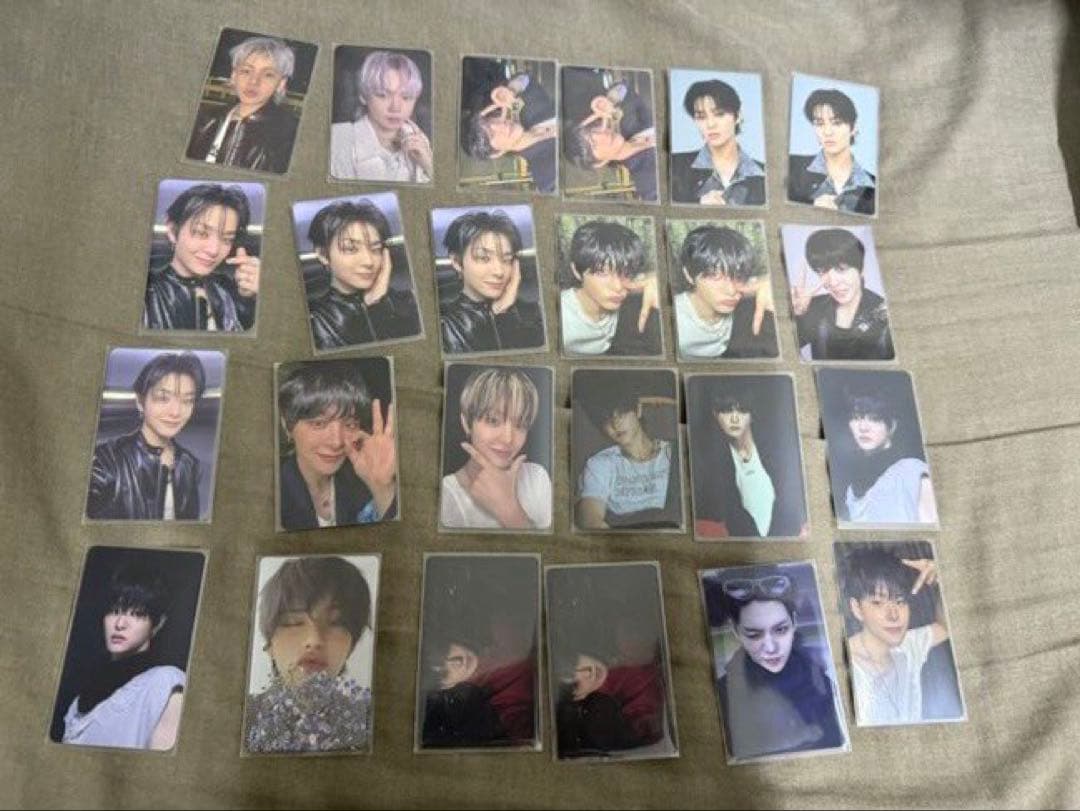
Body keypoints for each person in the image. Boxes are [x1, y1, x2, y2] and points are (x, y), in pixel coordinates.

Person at [244, 556, 374, 753]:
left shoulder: (373, 722)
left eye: (336, 623)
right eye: (293, 622)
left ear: (351, 646)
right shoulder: (237, 718)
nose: (314, 640)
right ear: (269, 645)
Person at [714, 573, 846, 760]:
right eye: (754, 635)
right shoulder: (723, 693)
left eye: (781, 630)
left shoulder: (822, 683)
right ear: (736, 631)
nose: (771, 648)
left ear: (794, 622)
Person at [62, 562, 185, 750]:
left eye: (136, 614)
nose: (120, 624)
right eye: (114, 611)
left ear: (157, 624)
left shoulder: (164, 683)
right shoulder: (80, 700)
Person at [277, 361, 398, 531]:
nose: (337, 442)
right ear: (287, 425)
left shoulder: (362, 479)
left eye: (350, 425)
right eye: (319, 423)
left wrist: (381, 486)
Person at [86, 352, 207, 521]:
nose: (176, 412)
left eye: (187, 400)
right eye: (163, 398)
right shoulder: (106, 461)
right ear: (140, 401)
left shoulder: (190, 464)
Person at [838, 547, 952, 725]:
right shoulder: (842, 665)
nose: (893, 615)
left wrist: (941, 577)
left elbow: (945, 627)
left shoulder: (908, 645)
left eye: (900, 601)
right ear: (857, 608)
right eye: (878, 602)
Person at [440, 367, 552, 530]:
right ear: (466, 423)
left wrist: (510, 511)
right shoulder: (447, 494)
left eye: (520, 424)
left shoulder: (537, 477)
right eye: (493, 420)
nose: (508, 439)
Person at [305, 199, 421, 350]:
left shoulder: (410, 302)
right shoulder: (314, 320)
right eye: (351, 249)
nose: (368, 261)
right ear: (322, 254)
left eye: (375, 249)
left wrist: (379, 305)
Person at [143, 183, 260, 332]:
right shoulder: (147, 291)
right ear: (172, 231)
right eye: (201, 233)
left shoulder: (229, 290)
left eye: (227, 239)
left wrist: (254, 298)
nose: (214, 250)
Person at [694, 385, 806, 539]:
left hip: (787, 538)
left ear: (751, 414)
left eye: (742, 410)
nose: (734, 418)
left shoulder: (776, 451)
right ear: (715, 415)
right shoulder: (713, 463)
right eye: (726, 410)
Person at [186, 35, 300, 174]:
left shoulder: (290, 134)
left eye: (268, 74)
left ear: (281, 83)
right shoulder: (205, 119)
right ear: (234, 75)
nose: (254, 81)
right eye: (246, 71)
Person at [438, 210, 545, 354]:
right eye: (484, 258)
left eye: (507, 260)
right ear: (457, 262)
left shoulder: (534, 314)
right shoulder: (443, 323)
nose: (499, 272)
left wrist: (503, 315)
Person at [576, 381, 677, 530]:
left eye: (621, 413)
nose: (615, 424)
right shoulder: (600, 464)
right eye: (607, 419)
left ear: (638, 410)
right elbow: (590, 520)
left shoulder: (673, 453)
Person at [673, 224, 777, 359]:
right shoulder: (674, 318)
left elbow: (763, 283)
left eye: (738, 275)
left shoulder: (746, 298)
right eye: (714, 275)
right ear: (688, 275)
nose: (731, 290)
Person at [559, 219, 661, 357]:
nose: (618, 287)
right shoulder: (562, 319)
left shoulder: (629, 287)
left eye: (626, 272)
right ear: (577, 270)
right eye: (602, 273)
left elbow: (648, 279)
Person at [789, 227, 894, 360]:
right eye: (822, 271)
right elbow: (787, 353)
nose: (833, 282)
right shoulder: (813, 307)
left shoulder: (886, 315)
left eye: (841, 269)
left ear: (861, 269)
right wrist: (797, 315)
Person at [330, 50, 433, 183]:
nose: (395, 107)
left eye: (406, 97)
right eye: (383, 95)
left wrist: (429, 166)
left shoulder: (421, 143)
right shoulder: (337, 138)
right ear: (363, 96)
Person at [839, 388, 937, 525]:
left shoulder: (912, 470)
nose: (863, 427)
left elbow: (934, 530)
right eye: (856, 418)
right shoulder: (852, 487)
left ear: (892, 425)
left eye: (874, 418)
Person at [555, 635, 664, 758]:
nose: (586, 672)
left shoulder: (620, 648)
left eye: (574, 663)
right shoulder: (604, 709)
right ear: (578, 697)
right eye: (576, 684)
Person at [670, 79, 766, 206]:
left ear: (737, 116)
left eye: (719, 114)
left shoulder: (765, 176)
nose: (710, 124)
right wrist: (697, 205)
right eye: (701, 117)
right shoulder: (675, 166)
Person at [461, 67, 557, 193]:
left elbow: (525, 79)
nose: (501, 125)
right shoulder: (546, 174)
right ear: (496, 153)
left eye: (490, 120)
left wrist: (511, 90)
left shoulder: (527, 110)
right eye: (492, 134)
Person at [564, 79, 658, 202]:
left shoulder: (630, 122)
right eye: (593, 144)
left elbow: (625, 87)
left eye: (594, 129)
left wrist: (610, 100)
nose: (603, 134)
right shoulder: (649, 182)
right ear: (599, 163)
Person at [788, 87, 876, 215]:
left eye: (837, 123)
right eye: (820, 123)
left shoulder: (875, 188)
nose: (827, 132)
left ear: (853, 128)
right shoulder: (792, 167)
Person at [421, 631, 508, 748]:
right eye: (444, 673)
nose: (457, 661)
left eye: (445, 651)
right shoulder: (482, 700)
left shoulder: (495, 635)